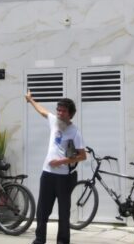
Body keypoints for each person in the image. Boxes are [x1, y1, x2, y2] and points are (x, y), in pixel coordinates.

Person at [26, 90, 86, 244]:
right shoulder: (54, 121)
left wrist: (60, 162)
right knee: (42, 210)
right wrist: (31, 100)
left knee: (63, 213)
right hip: (47, 174)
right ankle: (40, 239)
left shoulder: (75, 132)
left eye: (63, 111)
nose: (59, 113)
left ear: (70, 114)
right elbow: (43, 111)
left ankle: (63, 241)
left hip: (64, 177)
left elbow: (82, 156)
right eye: (58, 110)